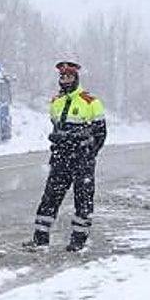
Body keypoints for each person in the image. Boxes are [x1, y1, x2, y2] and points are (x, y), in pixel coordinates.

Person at [26, 59, 107, 252]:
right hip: (61, 158)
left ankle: (78, 240)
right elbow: (56, 126)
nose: (65, 79)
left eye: (69, 76)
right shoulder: (56, 102)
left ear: (76, 78)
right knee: (50, 198)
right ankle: (40, 239)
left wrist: (87, 154)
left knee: (83, 200)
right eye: (62, 76)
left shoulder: (91, 102)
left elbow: (101, 134)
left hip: (82, 160)